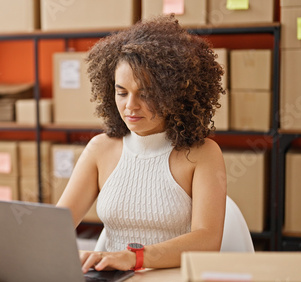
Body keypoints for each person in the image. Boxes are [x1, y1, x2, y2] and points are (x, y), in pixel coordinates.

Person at [56, 15, 227, 273]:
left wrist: (135, 257)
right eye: (121, 92)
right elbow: (56, 226)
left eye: (146, 94)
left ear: (174, 93)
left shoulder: (203, 154)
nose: (130, 106)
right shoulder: (99, 149)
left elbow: (207, 240)